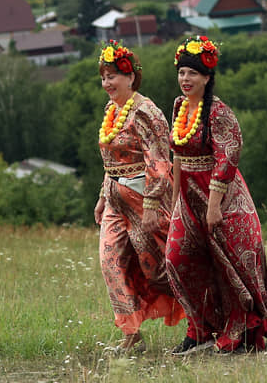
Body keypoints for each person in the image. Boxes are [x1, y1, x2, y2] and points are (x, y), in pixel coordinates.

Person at [165, 35, 267, 355]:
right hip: (188, 197)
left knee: (234, 266)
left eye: (192, 73)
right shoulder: (180, 107)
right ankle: (199, 328)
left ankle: (246, 329)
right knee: (177, 260)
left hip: (223, 198)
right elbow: (177, 156)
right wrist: (174, 200)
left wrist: (213, 207)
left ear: (207, 78)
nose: (185, 79)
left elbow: (227, 160)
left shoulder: (219, 113)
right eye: (182, 72)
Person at [94, 41, 185, 353]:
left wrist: (150, 205)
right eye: (104, 77)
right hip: (116, 200)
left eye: (113, 76)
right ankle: (131, 337)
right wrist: (102, 197)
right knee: (111, 262)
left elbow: (159, 161)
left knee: (161, 267)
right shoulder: (111, 111)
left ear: (131, 77)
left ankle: (207, 320)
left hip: (146, 199)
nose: (107, 83)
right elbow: (111, 161)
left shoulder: (146, 112)